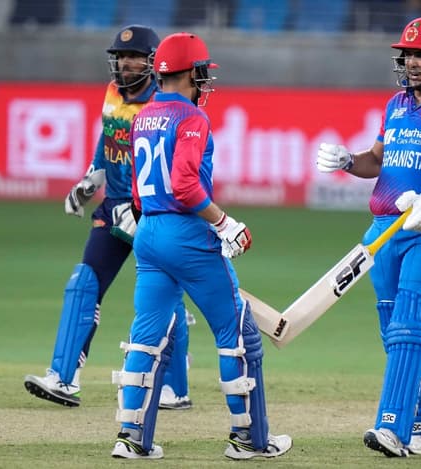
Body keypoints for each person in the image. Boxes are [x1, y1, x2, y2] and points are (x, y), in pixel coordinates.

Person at [109, 31, 293, 461]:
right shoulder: (192, 118)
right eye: (202, 73)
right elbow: (186, 184)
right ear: (192, 73)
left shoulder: (143, 116)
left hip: (149, 232)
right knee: (237, 331)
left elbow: (138, 193)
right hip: (187, 233)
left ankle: (131, 436)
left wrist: (155, 224)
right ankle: (249, 439)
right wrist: (225, 223)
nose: (205, 81)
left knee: (146, 337)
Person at [316, 17, 421, 457]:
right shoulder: (396, 104)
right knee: (397, 334)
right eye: (407, 54)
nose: (411, 62)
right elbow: (377, 161)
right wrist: (348, 161)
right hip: (384, 231)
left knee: (411, 326)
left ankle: (391, 428)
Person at [24, 25, 193, 411]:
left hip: (155, 211)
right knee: (84, 282)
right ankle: (63, 378)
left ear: (152, 63)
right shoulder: (113, 92)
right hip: (113, 206)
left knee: (164, 295)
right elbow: (108, 139)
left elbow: (170, 165)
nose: (126, 63)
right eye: (121, 57)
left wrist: (140, 208)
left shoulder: (163, 104)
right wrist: (91, 178)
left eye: (134, 57)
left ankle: (174, 388)